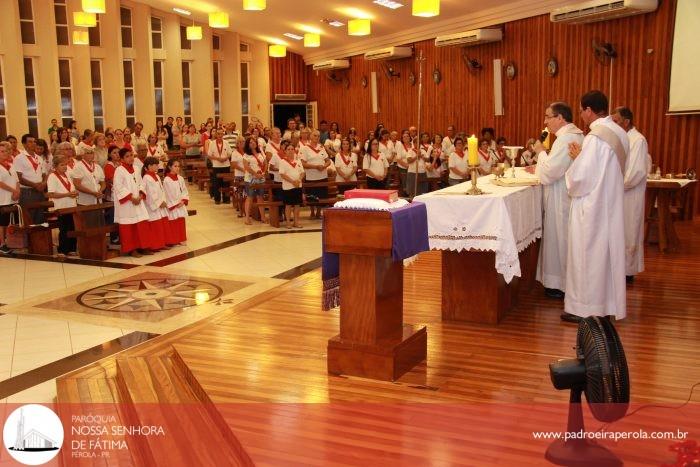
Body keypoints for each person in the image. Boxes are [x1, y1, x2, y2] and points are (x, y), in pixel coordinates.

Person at [564, 90, 629, 323]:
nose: (581, 115)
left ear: (589, 110)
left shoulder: (595, 137)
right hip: (610, 202)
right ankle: (606, 304)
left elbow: (581, 178)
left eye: (581, 111)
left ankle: (586, 309)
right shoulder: (620, 133)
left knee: (587, 255)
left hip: (592, 206)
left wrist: (575, 161)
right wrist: (582, 158)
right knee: (606, 255)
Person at [533, 102, 584, 300]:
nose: (545, 122)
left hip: (560, 197)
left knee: (559, 238)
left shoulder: (565, 139)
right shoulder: (575, 135)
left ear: (560, 118)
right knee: (563, 238)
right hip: (566, 194)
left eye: (548, 117)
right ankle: (561, 282)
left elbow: (550, 173)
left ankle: (558, 284)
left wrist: (540, 152)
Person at [611, 106, 650, 283]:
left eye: (617, 121)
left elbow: (636, 172)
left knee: (629, 231)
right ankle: (616, 268)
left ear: (627, 122)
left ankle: (627, 271)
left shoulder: (637, 140)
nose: (614, 124)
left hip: (629, 195)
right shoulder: (619, 138)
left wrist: (613, 185)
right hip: (617, 193)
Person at [113, 148, 153, 257]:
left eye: (131, 155)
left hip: (138, 201)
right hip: (127, 203)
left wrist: (140, 195)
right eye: (127, 156)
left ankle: (143, 246)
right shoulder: (119, 170)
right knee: (129, 227)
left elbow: (141, 184)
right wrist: (131, 198)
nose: (130, 158)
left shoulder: (136, 168)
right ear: (121, 159)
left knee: (141, 224)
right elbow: (118, 187)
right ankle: (132, 249)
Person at [46, 155, 78, 256]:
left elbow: (70, 188)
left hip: (71, 206)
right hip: (61, 207)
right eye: (62, 165)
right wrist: (67, 194)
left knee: (72, 227)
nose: (65, 167)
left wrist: (74, 193)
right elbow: (51, 194)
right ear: (55, 166)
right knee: (64, 228)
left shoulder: (67, 175)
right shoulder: (52, 176)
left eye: (65, 164)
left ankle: (72, 248)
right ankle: (62, 249)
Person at [13, 134, 46, 224]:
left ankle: (39, 238)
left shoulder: (39, 158)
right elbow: (19, 178)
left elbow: (44, 174)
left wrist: (44, 183)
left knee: (40, 219)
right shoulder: (19, 158)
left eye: (34, 141)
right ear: (24, 144)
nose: (33, 143)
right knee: (29, 219)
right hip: (27, 192)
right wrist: (35, 185)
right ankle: (28, 238)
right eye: (30, 142)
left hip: (40, 191)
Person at [300, 130, 330, 219]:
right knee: (311, 195)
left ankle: (318, 212)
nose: (317, 137)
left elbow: (328, 161)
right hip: (311, 177)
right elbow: (303, 163)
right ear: (310, 136)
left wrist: (324, 166)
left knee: (321, 195)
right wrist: (315, 166)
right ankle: (312, 212)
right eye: (315, 135)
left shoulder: (321, 147)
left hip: (322, 176)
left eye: (318, 136)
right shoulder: (305, 148)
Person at [140, 157, 169, 251]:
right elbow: (150, 193)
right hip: (153, 206)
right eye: (156, 165)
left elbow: (161, 189)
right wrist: (159, 203)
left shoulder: (156, 176)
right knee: (154, 226)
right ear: (149, 166)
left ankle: (161, 243)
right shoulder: (146, 177)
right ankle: (154, 245)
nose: (158, 166)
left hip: (160, 204)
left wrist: (164, 200)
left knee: (160, 225)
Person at [72, 139, 105, 209]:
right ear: (82, 155)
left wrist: (100, 191)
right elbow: (77, 185)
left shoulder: (97, 166)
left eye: (92, 153)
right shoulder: (78, 166)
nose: (91, 155)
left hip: (98, 199)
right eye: (88, 153)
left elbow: (103, 182)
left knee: (99, 219)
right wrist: (93, 193)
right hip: (85, 201)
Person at [279, 141, 305, 229]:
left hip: (298, 185)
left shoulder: (298, 161)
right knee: (288, 205)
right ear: (285, 151)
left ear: (294, 151)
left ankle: (296, 222)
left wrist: (298, 180)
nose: (290, 151)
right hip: (288, 187)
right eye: (288, 149)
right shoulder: (282, 161)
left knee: (297, 205)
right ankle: (288, 223)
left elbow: (302, 173)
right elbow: (282, 174)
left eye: (292, 149)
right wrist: (292, 181)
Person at [0, 142, 20, 254]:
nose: (4, 153)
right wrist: (13, 191)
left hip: (13, 198)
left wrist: (18, 191)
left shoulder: (11, 165)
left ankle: (9, 242)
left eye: (6, 151)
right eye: (2, 151)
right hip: (2, 199)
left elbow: (17, 180)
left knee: (9, 221)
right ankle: (2, 244)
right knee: (1, 223)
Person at [163, 159, 189, 245]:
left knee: (181, 221)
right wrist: (176, 203)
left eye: (178, 166)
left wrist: (183, 200)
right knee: (173, 222)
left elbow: (184, 190)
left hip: (180, 203)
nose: (177, 168)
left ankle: (182, 238)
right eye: (175, 166)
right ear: (170, 167)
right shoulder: (167, 180)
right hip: (173, 204)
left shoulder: (180, 178)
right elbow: (167, 194)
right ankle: (174, 239)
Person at [242, 137, 267, 225]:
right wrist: (255, 174)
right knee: (250, 197)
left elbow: (265, 163)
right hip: (250, 179)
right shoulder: (246, 155)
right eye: (250, 142)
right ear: (248, 145)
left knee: (260, 197)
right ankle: (247, 218)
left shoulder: (261, 152)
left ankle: (263, 217)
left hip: (261, 178)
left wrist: (263, 172)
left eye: (254, 142)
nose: (253, 143)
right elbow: (246, 167)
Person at [207, 129, 231, 205]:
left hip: (226, 165)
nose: (220, 136)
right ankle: (217, 199)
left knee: (226, 183)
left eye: (221, 134)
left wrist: (225, 158)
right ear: (216, 135)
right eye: (218, 134)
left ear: (223, 135)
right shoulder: (212, 143)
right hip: (216, 166)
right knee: (216, 183)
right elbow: (209, 155)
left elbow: (230, 153)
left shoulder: (226, 143)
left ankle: (226, 199)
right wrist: (217, 158)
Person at [103, 145, 121, 245]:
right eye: (114, 153)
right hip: (112, 195)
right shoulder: (108, 166)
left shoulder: (121, 164)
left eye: (118, 152)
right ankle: (114, 237)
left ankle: (120, 235)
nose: (117, 154)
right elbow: (111, 180)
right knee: (113, 217)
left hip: (120, 194)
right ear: (110, 154)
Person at [407, 132, 430, 197]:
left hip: (422, 172)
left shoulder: (423, 151)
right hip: (413, 172)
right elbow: (409, 160)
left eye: (419, 143)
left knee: (422, 190)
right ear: (413, 143)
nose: (418, 144)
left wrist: (422, 157)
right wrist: (416, 156)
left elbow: (428, 160)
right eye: (416, 142)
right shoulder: (410, 151)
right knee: (412, 190)